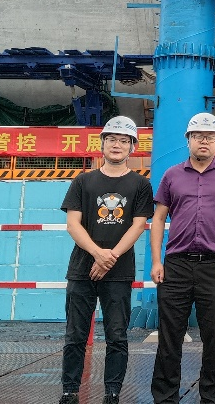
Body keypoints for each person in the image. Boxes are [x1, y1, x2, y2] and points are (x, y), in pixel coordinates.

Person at [150, 112, 215, 405]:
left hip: (214, 266)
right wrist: (156, 261)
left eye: (209, 136)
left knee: (213, 336)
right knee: (169, 335)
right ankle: (165, 397)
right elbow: (158, 219)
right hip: (176, 265)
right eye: (197, 136)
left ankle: (214, 397)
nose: (203, 141)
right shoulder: (172, 175)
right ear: (188, 140)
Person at [59, 116, 154, 405]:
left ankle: (112, 393)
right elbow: (73, 224)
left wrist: (110, 257)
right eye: (112, 139)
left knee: (117, 335)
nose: (117, 145)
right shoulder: (83, 181)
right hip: (82, 269)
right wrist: (98, 254)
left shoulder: (140, 184)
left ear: (132, 147)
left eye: (124, 141)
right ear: (102, 143)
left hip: (118, 272)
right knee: (75, 334)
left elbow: (138, 225)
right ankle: (69, 390)